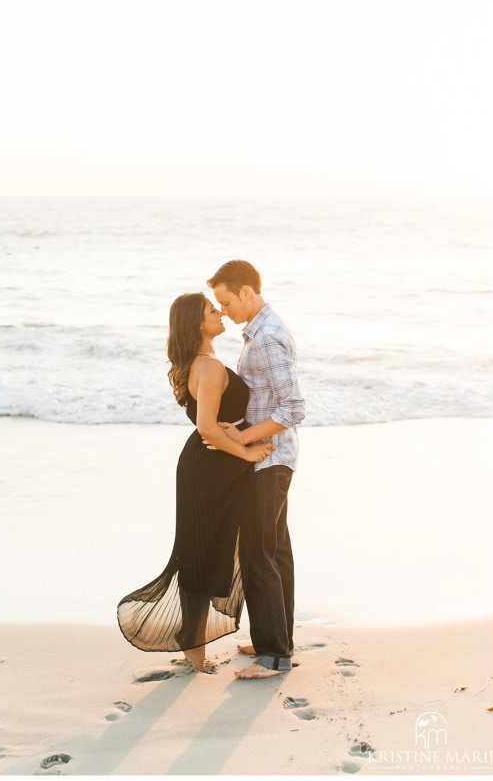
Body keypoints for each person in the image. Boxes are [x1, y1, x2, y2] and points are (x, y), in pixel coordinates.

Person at [117, 292, 273, 673]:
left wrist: (237, 438)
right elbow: (207, 428)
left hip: (211, 465)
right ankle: (194, 647)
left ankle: (194, 643)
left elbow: (214, 424)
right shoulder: (208, 366)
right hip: (210, 469)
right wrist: (247, 452)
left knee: (205, 552)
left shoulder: (200, 363)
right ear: (195, 323)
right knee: (202, 554)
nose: (219, 312)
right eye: (210, 309)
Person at [206, 260, 305, 679]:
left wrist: (243, 439)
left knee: (258, 553)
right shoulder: (261, 332)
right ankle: (276, 640)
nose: (223, 310)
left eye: (226, 300)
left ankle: (273, 656)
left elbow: (294, 407)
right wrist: (243, 430)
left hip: (270, 459)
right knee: (275, 551)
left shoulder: (266, 338)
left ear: (246, 291)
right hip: (273, 457)